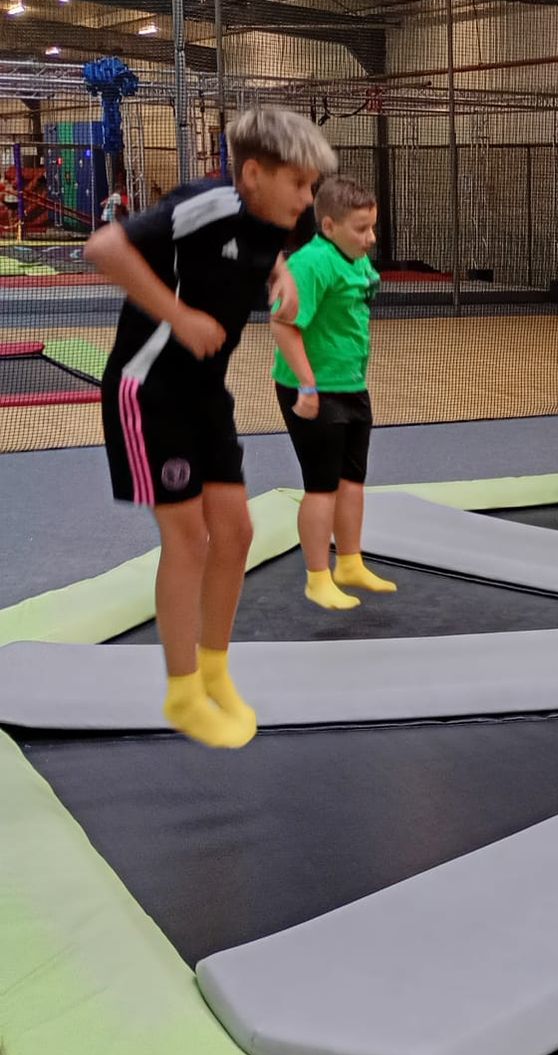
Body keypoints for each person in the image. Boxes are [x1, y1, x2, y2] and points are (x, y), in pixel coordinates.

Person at [86, 107, 336, 749]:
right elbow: (103, 248)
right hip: (150, 390)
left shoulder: (282, 215)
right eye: (299, 184)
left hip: (204, 394)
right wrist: (179, 316)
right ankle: (182, 691)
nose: (308, 199)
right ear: (252, 174)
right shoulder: (206, 204)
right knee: (189, 538)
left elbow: (265, 249)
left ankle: (216, 670)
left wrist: (280, 273)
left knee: (237, 532)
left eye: (312, 186)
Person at [269, 173, 397, 611]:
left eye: (372, 226)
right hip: (312, 389)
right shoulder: (311, 264)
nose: (371, 238)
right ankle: (317, 577)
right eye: (361, 229)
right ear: (328, 226)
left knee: (352, 481)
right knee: (322, 486)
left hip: (350, 384)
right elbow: (283, 325)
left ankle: (350, 562)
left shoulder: (355, 258)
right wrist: (307, 385)